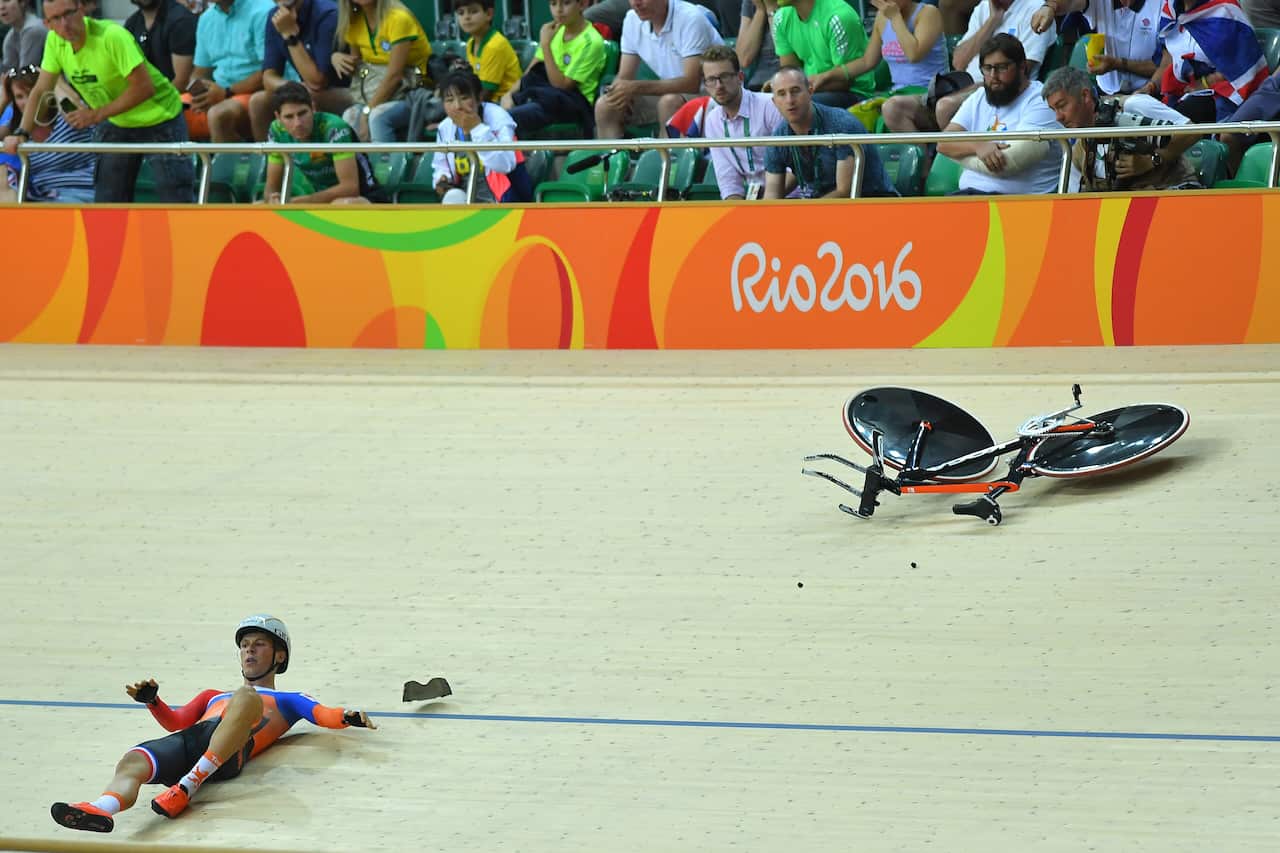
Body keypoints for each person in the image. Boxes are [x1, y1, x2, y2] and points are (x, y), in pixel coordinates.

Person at [50, 615, 376, 833]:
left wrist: (347, 716)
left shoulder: (288, 699)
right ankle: (100, 808)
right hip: (195, 740)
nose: (249, 650)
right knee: (133, 759)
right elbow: (176, 722)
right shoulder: (211, 695)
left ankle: (185, 788)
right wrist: (154, 701)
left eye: (258, 644)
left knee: (245, 698)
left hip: (231, 751)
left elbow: (322, 714)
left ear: (279, 656)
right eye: (245, 645)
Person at [2, 0, 194, 203]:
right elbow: (41, 89)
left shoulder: (112, 36)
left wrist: (94, 115)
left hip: (160, 116)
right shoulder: (54, 41)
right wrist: (22, 132)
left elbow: (144, 88)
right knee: (108, 198)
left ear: (82, 9)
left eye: (69, 13)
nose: (64, 24)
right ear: (47, 23)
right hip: (117, 120)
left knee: (174, 196)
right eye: (56, 19)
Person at [881, 0, 1053, 133]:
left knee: (945, 106)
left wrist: (987, 79)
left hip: (998, 88)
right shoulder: (984, 7)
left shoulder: (1035, 9)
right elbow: (958, 62)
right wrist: (992, 21)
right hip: (962, 86)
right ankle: (924, 171)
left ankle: (950, 168)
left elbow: (1023, 69)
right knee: (893, 108)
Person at [937, 32, 1064, 194]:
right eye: (987, 68)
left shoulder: (1041, 99)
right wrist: (977, 146)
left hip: (1018, 205)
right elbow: (943, 143)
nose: (993, 76)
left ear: (1022, 67)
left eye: (1002, 68)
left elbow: (1009, 162)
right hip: (968, 197)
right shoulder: (979, 96)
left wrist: (959, 152)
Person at [1041, 65, 1200, 190]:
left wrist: (1152, 160)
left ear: (1085, 96)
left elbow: (1193, 131)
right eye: (1053, 110)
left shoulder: (1133, 105)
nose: (1058, 117)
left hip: (1174, 195)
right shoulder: (1077, 152)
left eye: (1062, 106)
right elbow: (1072, 202)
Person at [596, 0, 723, 139]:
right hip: (673, 92)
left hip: (714, 93)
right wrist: (616, 91)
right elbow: (625, 76)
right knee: (606, 106)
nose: (636, 3)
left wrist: (635, 87)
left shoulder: (690, 18)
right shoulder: (632, 19)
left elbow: (691, 83)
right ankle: (611, 158)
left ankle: (668, 159)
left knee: (669, 102)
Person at [764, 65, 896, 198]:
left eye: (795, 91)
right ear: (774, 102)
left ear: (810, 91)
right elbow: (771, 195)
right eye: (782, 94)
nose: (790, 100)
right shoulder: (779, 137)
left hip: (872, 202)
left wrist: (804, 215)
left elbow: (844, 192)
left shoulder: (842, 124)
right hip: (820, 205)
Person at [263, 81, 381, 203]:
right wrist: (273, 198)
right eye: (289, 117)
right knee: (259, 206)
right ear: (278, 117)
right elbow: (271, 186)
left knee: (341, 204)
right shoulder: (276, 131)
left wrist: (300, 202)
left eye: (302, 113)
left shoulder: (334, 128)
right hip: (320, 200)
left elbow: (350, 188)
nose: (297, 123)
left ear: (313, 109)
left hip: (365, 197)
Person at [501, 0, 605, 137]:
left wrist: (545, 45)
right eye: (553, 4)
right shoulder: (554, 32)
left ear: (582, 4)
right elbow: (531, 72)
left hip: (571, 103)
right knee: (492, 114)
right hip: (544, 95)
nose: (558, 10)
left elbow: (562, 86)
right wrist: (509, 94)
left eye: (566, 3)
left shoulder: (591, 41)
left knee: (506, 119)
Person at [333, 0, 432, 142]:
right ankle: (361, 164)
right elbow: (356, 66)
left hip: (411, 94)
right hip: (375, 93)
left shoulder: (398, 17)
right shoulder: (354, 20)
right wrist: (335, 57)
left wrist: (367, 112)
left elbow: (395, 76)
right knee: (350, 115)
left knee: (377, 116)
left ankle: (385, 164)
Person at [250, 0, 350, 140]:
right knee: (258, 102)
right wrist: (294, 88)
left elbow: (318, 82)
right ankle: (270, 159)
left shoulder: (327, 14)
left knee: (308, 94)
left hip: (344, 92)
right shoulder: (275, 16)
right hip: (306, 89)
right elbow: (268, 77)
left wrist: (290, 36)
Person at [1153, 0, 1267, 123]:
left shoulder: (1225, 12)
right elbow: (1168, 60)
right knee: (1141, 109)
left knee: (1184, 113)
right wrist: (1151, 86)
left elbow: (1240, 65)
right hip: (1182, 90)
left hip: (1223, 92)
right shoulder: (1170, 13)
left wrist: (1205, 83)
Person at [432, 69, 533, 202]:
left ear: (479, 98)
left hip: (502, 200)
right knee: (453, 196)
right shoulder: (445, 127)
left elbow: (505, 164)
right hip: (466, 198)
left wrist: (477, 128)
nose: (457, 106)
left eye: (464, 98)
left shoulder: (498, 118)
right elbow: (441, 165)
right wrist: (442, 178)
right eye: (449, 100)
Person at [0, 64, 96, 201]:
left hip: (81, 194)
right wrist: (3, 100)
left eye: (33, 94)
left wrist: (52, 79)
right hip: (42, 197)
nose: (28, 102)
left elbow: (74, 113)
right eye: (19, 97)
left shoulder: (65, 116)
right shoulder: (18, 132)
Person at [699, 44, 784, 199]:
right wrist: (738, 211)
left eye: (724, 77)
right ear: (705, 84)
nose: (719, 86)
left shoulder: (769, 106)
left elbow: (793, 167)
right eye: (711, 79)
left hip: (790, 198)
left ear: (740, 78)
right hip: (753, 202)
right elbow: (728, 180)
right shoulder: (712, 120)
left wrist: (766, 205)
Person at [1030, 0, 1160, 96]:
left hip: (1149, 93)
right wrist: (1050, 6)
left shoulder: (1162, 4)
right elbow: (1069, 3)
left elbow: (1165, 65)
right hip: (1106, 94)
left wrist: (1117, 64)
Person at [190, 0, 274, 141]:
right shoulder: (206, 19)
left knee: (219, 114)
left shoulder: (264, 10)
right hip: (219, 91)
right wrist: (198, 90)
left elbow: (269, 70)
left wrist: (226, 92)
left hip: (257, 91)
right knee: (174, 110)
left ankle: (235, 163)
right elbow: (200, 71)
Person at [831, 0, 948, 96]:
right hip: (898, 93)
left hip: (930, 91)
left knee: (891, 107)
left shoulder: (928, 13)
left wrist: (895, 18)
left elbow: (914, 55)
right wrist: (825, 77)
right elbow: (867, 62)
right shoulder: (882, 18)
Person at [773, 0, 875, 108]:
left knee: (799, 105)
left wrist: (799, 89)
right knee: (771, 102)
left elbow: (843, 82)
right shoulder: (781, 18)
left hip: (854, 94)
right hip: (809, 89)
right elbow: (791, 72)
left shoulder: (838, 16)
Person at [123, 0, 198, 95]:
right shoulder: (132, 24)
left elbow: (182, 82)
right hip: (148, 97)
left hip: (177, 100)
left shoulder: (181, 21)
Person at [457, 0, 521, 102]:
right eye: (461, 13)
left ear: (489, 14)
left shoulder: (494, 45)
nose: (466, 17)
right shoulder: (470, 43)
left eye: (473, 12)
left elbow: (486, 94)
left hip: (503, 103)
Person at [736, 0, 780, 90]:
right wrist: (760, 10)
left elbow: (783, 49)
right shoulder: (753, 2)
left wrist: (771, 9)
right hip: (757, 82)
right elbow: (743, 59)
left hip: (786, 78)